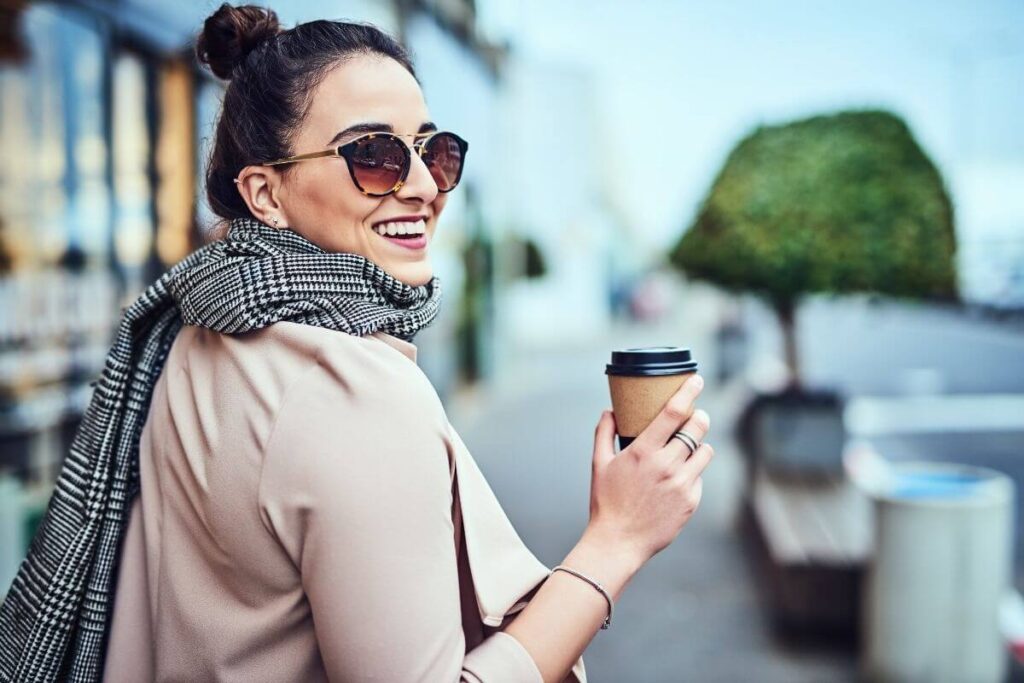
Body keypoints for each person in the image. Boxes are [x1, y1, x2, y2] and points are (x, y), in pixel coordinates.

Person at [0, 4, 714, 682]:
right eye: (373, 154)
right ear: (266, 194)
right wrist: (616, 539)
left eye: (433, 152)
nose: (421, 187)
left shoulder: (193, 333)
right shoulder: (351, 389)